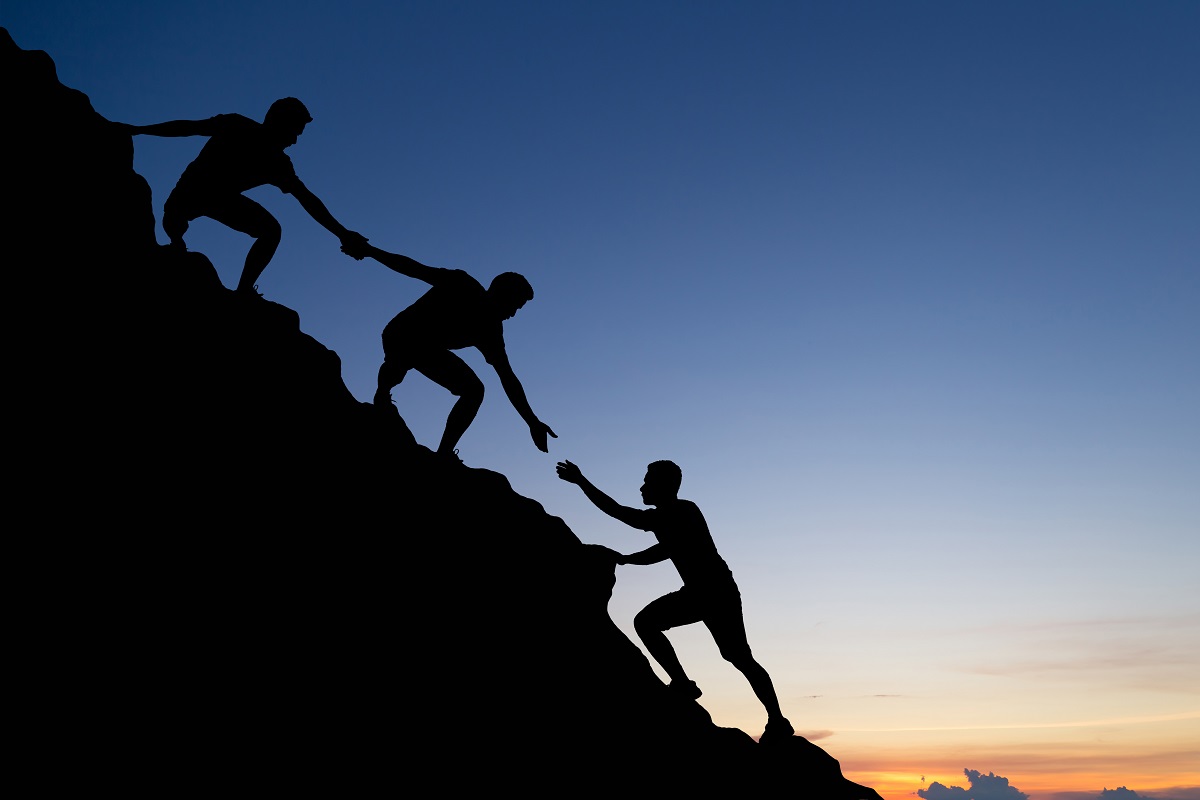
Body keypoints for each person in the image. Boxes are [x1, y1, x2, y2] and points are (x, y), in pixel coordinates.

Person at [555, 458, 794, 742]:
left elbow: (632, 524)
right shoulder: (671, 515)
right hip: (701, 592)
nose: (642, 487)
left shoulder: (681, 512)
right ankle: (684, 683)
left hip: (716, 592)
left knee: (736, 656)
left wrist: (582, 482)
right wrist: (627, 559)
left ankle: (775, 719)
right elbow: (658, 543)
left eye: (647, 481)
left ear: (664, 486)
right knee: (650, 624)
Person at [122, 97, 367, 296]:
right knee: (174, 222)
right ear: (278, 122)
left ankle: (243, 291)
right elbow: (189, 128)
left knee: (271, 231)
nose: (294, 141)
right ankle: (177, 245)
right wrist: (139, 130)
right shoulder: (236, 126)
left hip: (220, 199)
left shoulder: (278, 163)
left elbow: (308, 200)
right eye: (294, 132)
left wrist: (342, 233)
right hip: (192, 190)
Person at [343, 239, 556, 460]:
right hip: (401, 334)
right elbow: (413, 268)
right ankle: (383, 395)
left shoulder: (490, 331)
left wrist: (532, 422)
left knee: (474, 390)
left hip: (427, 349)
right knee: (398, 365)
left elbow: (508, 378)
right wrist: (370, 251)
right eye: (515, 305)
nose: (513, 313)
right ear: (501, 294)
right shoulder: (462, 284)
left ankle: (444, 453)